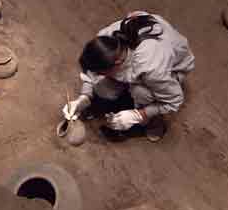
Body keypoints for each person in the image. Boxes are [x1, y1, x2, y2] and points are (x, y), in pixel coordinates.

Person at [63, 11, 195, 142]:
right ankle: (108, 97)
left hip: (174, 66)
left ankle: (153, 120)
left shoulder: (151, 68)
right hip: (145, 56)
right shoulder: (106, 41)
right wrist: (84, 96)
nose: (98, 75)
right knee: (103, 89)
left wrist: (138, 115)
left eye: (101, 72)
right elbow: (92, 71)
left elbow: (175, 100)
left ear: (117, 64)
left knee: (141, 93)